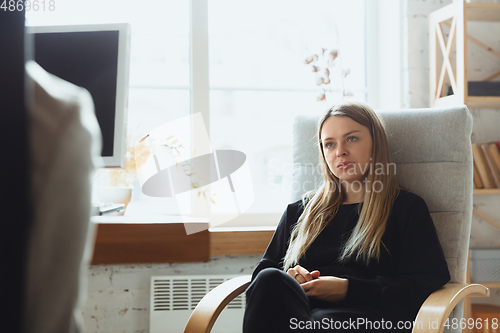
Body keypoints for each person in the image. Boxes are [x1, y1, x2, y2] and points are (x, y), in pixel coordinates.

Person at [243, 101, 450, 332]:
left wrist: (348, 289)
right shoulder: (299, 211)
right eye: (329, 144)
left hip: (363, 318)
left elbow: (425, 282)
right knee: (271, 278)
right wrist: (291, 278)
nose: (340, 151)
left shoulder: (405, 208)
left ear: (375, 143)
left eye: (351, 138)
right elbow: (261, 279)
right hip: (298, 316)